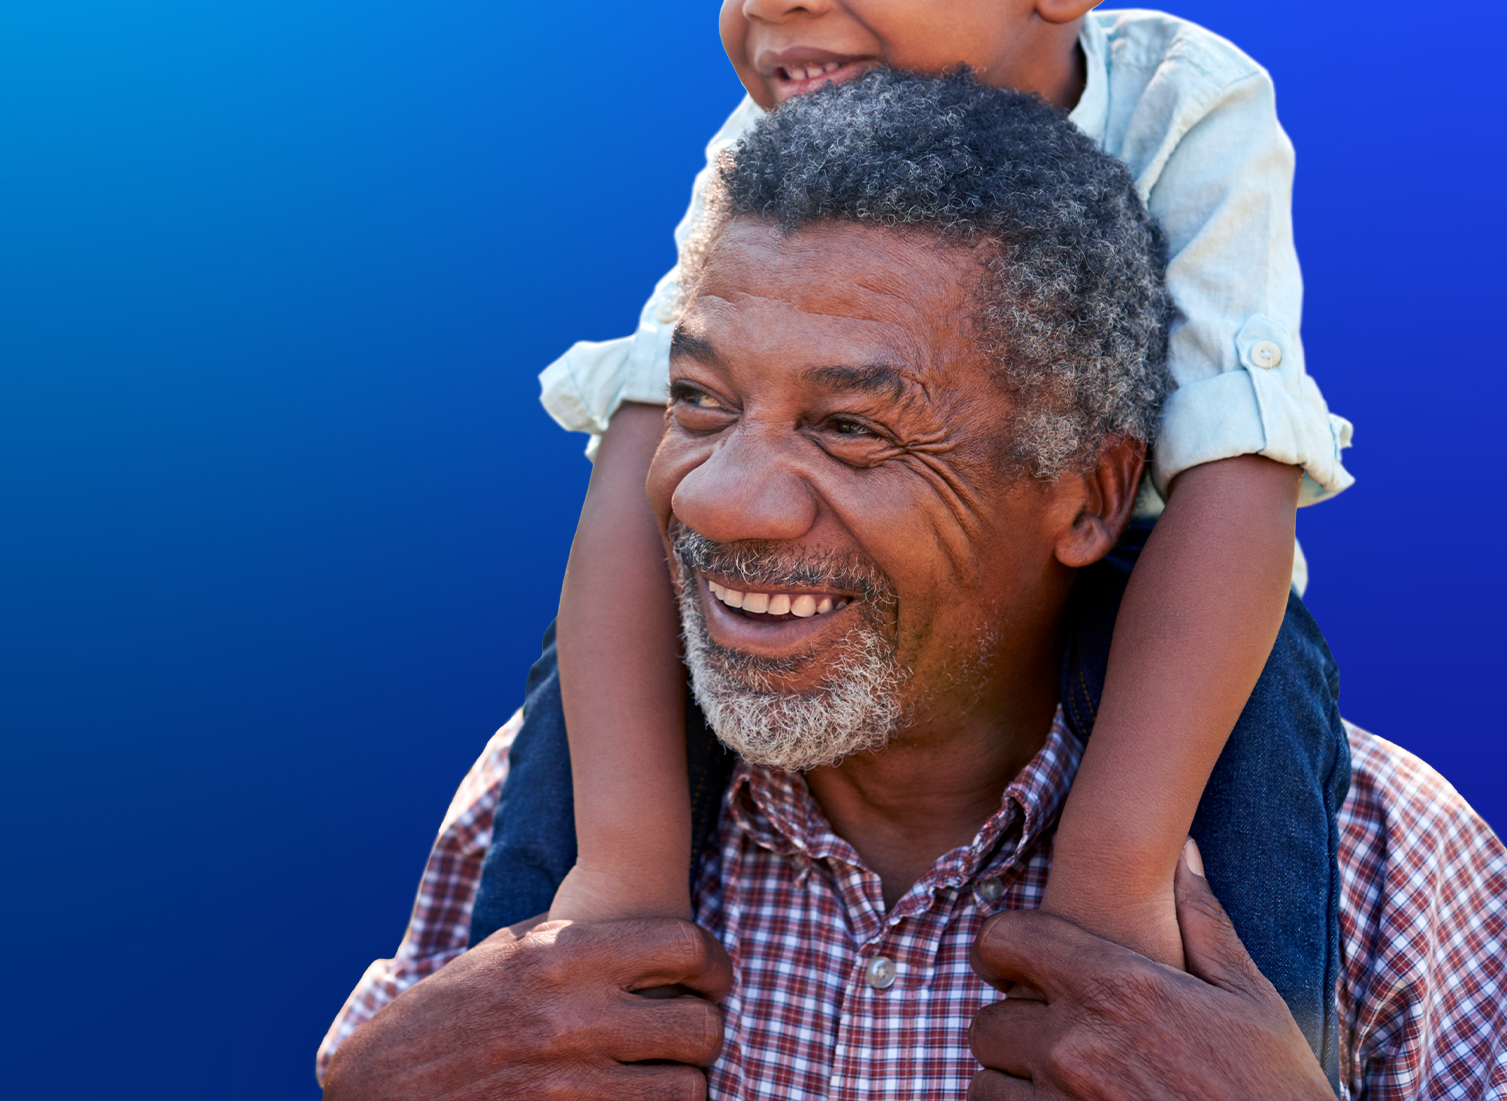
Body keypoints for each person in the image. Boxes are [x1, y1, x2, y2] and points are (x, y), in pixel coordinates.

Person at [471, 0, 1355, 1078]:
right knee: (578, 704)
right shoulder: (763, 159)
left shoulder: (1189, 109)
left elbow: (1240, 481)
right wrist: (620, 870)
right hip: (872, 613)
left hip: (1166, 582)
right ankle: (526, 1028)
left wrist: (1115, 885)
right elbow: (646, 442)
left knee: (1258, 793)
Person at [317, 73, 1507, 1099]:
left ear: (1090, 498)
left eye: (850, 429)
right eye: (698, 403)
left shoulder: (1380, 862)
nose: (720, 499)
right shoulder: (549, 799)